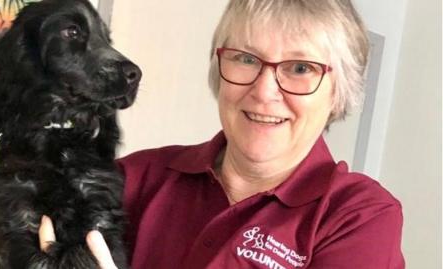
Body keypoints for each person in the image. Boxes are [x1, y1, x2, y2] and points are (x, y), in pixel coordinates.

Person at [40, 0, 405, 268]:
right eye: (246, 58)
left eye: (299, 67)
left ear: (339, 90)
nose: (264, 92)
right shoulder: (134, 178)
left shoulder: (359, 217)